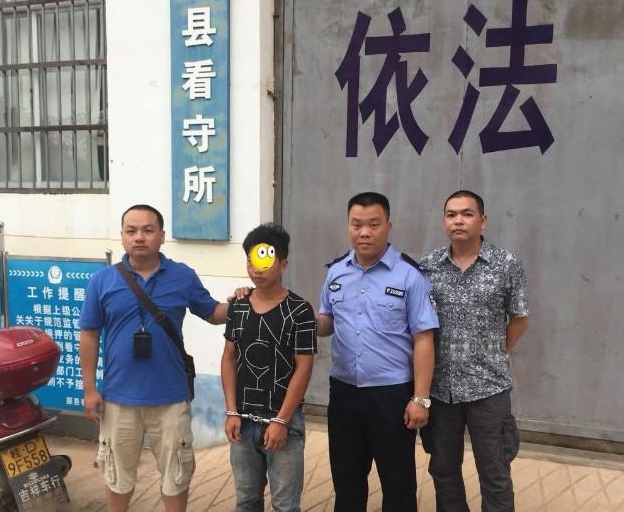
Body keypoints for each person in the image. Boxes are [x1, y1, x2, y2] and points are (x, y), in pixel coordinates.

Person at [79, 204, 228, 512]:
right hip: (118, 399)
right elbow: (89, 334)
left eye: (148, 230)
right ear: (122, 236)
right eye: (131, 231)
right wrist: (90, 389)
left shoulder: (182, 276)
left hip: (171, 398)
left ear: (161, 235)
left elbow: (213, 313)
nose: (139, 237)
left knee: (176, 476)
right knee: (117, 477)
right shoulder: (102, 280)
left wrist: (244, 300)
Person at [316, 192, 439, 512]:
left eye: (373, 224)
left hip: (392, 395)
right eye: (356, 225)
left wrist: (420, 398)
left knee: (398, 484)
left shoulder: (409, 275)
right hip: (344, 392)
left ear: (388, 227)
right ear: (348, 226)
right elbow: (326, 323)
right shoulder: (336, 271)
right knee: (346, 479)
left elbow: (424, 338)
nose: (364, 232)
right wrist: (298, 316)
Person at [420, 190, 529, 512]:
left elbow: (519, 319)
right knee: (443, 469)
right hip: (441, 389)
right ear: (444, 222)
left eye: (467, 214)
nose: (458, 220)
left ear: (483, 221)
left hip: (489, 388)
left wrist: (494, 351)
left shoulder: (506, 265)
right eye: (451, 214)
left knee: (494, 471)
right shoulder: (428, 267)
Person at [221, 223, 317, 512]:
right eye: (251, 260)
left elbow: (304, 367)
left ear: (283, 264)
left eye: (265, 260)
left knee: (285, 505)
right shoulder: (238, 306)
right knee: (246, 502)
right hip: (242, 422)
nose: (256, 268)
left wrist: (281, 421)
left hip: (283, 423)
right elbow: (229, 357)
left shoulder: (300, 311)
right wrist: (231, 411)